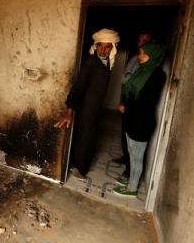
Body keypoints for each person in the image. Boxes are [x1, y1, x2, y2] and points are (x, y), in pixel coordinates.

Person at [54, 28, 120, 180]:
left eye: (107, 46)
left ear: (113, 48)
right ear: (95, 46)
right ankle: (78, 168)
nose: (103, 50)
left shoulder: (108, 63)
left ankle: (80, 165)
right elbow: (77, 88)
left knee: (89, 137)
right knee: (83, 138)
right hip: (85, 110)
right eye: (100, 46)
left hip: (95, 109)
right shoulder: (91, 63)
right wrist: (69, 112)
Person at [113, 42, 166, 197]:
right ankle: (131, 180)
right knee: (130, 151)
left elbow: (147, 101)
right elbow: (130, 91)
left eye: (144, 53)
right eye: (140, 53)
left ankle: (132, 189)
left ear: (154, 55)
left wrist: (128, 107)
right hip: (132, 118)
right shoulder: (141, 70)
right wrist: (125, 105)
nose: (140, 56)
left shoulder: (157, 75)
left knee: (137, 157)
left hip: (142, 121)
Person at [113, 31, 153, 178]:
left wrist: (129, 78)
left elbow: (131, 80)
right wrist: (122, 100)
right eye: (140, 40)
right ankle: (126, 158)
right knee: (124, 132)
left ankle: (131, 172)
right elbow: (125, 78)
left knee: (132, 137)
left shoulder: (150, 68)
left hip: (136, 105)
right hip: (128, 98)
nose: (141, 43)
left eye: (145, 40)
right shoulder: (135, 58)